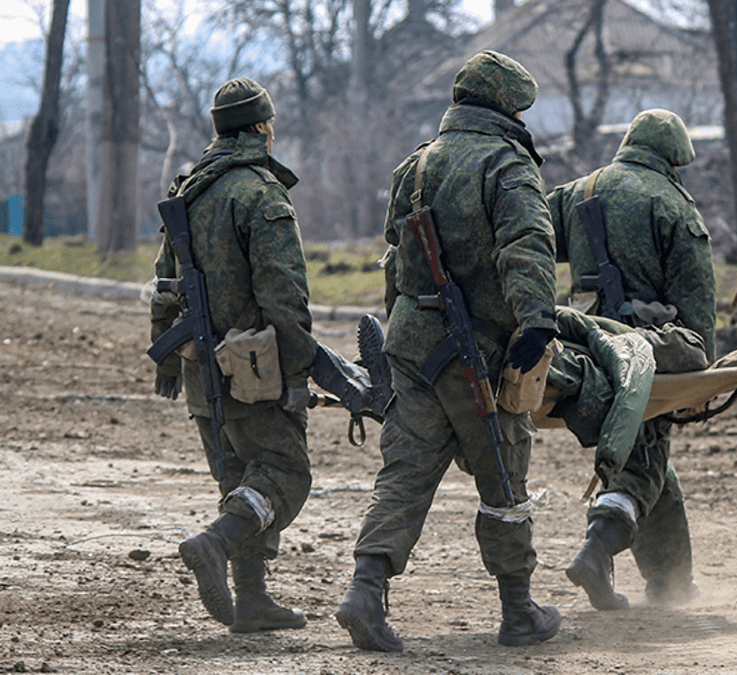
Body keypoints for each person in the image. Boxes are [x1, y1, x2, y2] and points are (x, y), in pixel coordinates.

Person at [334, 51, 561, 652]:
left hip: (411, 342)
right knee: (503, 472)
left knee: (405, 472)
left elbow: (395, 258)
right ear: (506, 106)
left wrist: (398, 330)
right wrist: (537, 323)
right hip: (476, 351)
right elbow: (528, 245)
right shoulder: (507, 164)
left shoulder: (413, 166)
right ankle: (518, 611)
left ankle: (365, 589)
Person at [151, 78, 316, 633]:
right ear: (263, 127)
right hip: (254, 368)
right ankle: (214, 544)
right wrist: (297, 372)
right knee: (285, 473)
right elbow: (284, 295)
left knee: (240, 479)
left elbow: (163, 282)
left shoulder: (188, 190)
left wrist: (168, 361)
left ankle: (252, 599)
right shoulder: (259, 193)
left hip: (199, 364)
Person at [546, 109, 716, 610]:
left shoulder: (577, 193)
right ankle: (597, 546)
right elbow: (697, 311)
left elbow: (527, 243)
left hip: (581, 348)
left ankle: (671, 585)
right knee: (644, 457)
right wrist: (697, 381)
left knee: (648, 457)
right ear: (673, 158)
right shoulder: (674, 207)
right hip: (643, 356)